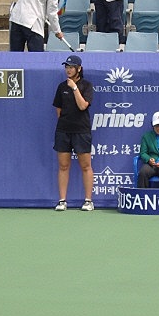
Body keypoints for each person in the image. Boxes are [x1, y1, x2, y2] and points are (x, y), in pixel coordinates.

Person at [53, 54, 95, 210]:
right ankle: (62, 201)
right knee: (63, 166)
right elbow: (58, 109)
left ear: (79, 69)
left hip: (81, 131)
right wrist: (66, 122)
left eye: (71, 67)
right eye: (66, 67)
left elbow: (83, 106)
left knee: (86, 166)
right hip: (63, 131)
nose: (68, 70)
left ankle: (88, 201)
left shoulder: (86, 86)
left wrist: (74, 88)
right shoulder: (61, 87)